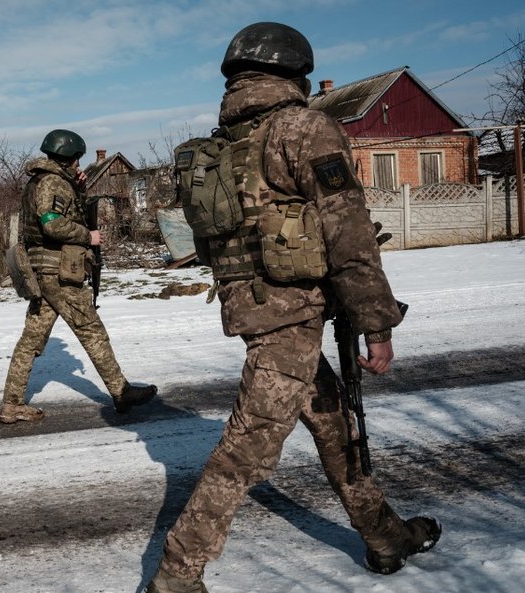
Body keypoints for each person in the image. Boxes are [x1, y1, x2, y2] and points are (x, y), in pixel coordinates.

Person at [145, 23, 441, 593]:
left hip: (258, 311)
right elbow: (348, 232)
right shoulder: (303, 130)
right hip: (292, 319)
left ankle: (383, 535)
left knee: (336, 428)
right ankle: (176, 576)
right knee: (245, 450)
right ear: (295, 74)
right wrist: (376, 321)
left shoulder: (221, 146)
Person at [0, 129, 157, 424]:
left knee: (31, 339)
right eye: (76, 160)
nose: (77, 165)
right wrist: (89, 236)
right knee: (91, 330)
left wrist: (79, 188)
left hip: (43, 272)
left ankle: (11, 405)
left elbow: (64, 212)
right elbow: (53, 223)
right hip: (58, 273)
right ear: (69, 157)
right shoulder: (52, 182)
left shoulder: (40, 181)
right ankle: (121, 393)